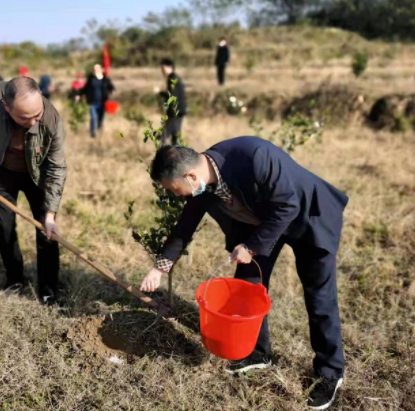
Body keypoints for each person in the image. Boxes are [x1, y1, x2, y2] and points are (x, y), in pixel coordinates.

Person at [139, 138, 348, 410]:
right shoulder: (201, 184)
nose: (177, 195)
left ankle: (330, 372)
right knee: (246, 287)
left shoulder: (254, 157)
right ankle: (258, 353)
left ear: (190, 176)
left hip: (308, 217)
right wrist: (159, 268)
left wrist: (250, 246)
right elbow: (184, 227)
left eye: (174, 189)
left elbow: (288, 205)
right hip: (262, 227)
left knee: (319, 297)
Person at [0, 77, 67, 302]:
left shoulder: (50, 118)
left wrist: (50, 214)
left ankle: (48, 290)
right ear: (6, 107)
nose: (33, 122)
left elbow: (57, 167)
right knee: (5, 228)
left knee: (46, 231)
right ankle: (14, 280)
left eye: (37, 115)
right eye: (25, 117)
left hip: (38, 177)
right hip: (2, 174)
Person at [78, 64, 114, 138]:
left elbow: (111, 87)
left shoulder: (105, 79)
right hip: (92, 102)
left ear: (101, 69)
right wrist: (79, 95)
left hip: (102, 102)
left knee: (100, 119)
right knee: (94, 118)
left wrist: (110, 91)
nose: (95, 70)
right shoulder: (91, 79)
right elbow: (86, 88)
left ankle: (100, 131)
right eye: (94, 69)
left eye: (97, 68)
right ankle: (92, 133)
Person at [158, 58, 186, 146]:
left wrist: (160, 92)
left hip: (175, 111)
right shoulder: (174, 78)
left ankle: (162, 155)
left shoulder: (172, 79)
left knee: (164, 135)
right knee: (175, 135)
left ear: (169, 67)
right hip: (179, 110)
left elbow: (172, 96)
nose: (162, 71)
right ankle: (176, 156)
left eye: (163, 69)